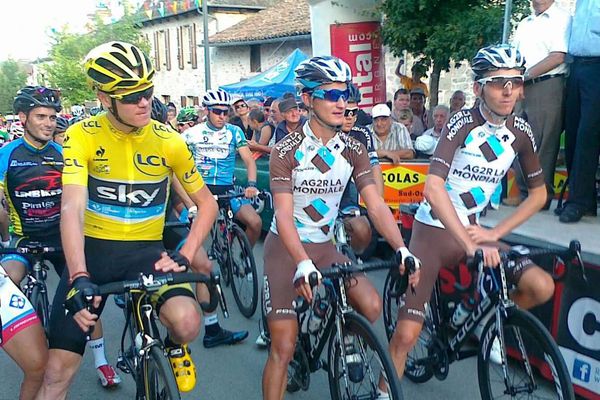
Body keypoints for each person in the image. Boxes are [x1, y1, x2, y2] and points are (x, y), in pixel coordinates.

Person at [37, 41, 219, 398]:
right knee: (55, 374)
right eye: (132, 95)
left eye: (147, 91)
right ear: (106, 99)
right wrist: (78, 276)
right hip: (94, 257)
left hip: (146, 251)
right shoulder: (82, 136)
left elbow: (207, 204)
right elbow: (72, 208)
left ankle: (171, 347)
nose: (144, 102)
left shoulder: (170, 140)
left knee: (187, 323)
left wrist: (186, 252)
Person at [388, 44, 555, 380]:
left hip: (475, 231)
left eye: (515, 81)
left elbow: (539, 195)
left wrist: (494, 233)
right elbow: (433, 189)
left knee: (542, 286)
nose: (508, 90)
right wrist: (469, 243)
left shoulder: (520, 133)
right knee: (406, 336)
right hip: (432, 233)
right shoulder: (462, 122)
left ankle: (481, 323)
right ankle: (383, 389)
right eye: (497, 82)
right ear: (478, 87)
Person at [262, 55, 420, 400]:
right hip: (286, 248)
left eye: (345, 93)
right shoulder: (286, 150)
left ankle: (333, 326)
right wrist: (302, 262)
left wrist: (402, 248)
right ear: (307, 99)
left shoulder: (353, 147)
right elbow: (284, 215)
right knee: (284, 346)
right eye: (330, 94)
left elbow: (375, 204)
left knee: (372, 305)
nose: (341, 102)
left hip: (324, 244)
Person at [0, 86, 123, 390]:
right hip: (22, 240)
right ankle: (23, 336)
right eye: (41, 116)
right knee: (8, 280)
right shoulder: (6, 155)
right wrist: (5, 238)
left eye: (53, 117)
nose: (48, 123)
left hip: (61, 239)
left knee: (86, 298)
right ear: (22, 118)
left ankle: (102, 362)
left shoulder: (63, 154)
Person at [180, 88, 263, 348]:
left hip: (227, 189)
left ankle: (239, 256)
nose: (222, 116)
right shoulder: (190, 135)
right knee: (196, 252)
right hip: (201, 192)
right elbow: (178, 169)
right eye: (216, 112)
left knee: (255, 222)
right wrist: (189, 202)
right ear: (206, 111)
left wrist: (251, 183)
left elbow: (249, 160)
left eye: (225, 112)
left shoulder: (235, 132)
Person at [506, 0, 571, 209]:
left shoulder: (562, 18)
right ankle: (523, 192)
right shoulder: (525, 22)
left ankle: (539, 196)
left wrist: (523, 77)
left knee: (543, 142)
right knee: (517, 138)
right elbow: (514, 55)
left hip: (547, 84)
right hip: (521, 84)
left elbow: (558, 57)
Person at [556, 0, 600, 223]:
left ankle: (578, 201)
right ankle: (586, 199)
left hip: (598, 66)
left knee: (587, 134)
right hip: (577, 66)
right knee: (572, 131)